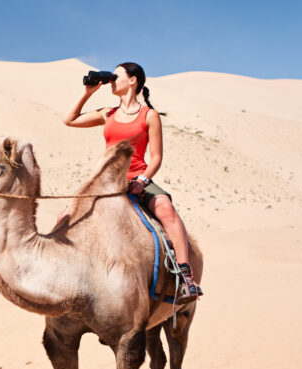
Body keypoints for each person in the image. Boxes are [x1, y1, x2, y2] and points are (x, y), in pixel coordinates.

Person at [63, 63, 202, 303]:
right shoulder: (108, 112)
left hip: (138, 178)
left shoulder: (149, 115)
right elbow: (69, 120)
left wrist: (142, 180)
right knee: (65, 216)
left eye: (116, 76)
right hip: (106, 181)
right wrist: (88, 93)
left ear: (133, 80)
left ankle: (185, 276)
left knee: (167, 209)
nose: (111, 81)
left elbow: (156, 158)